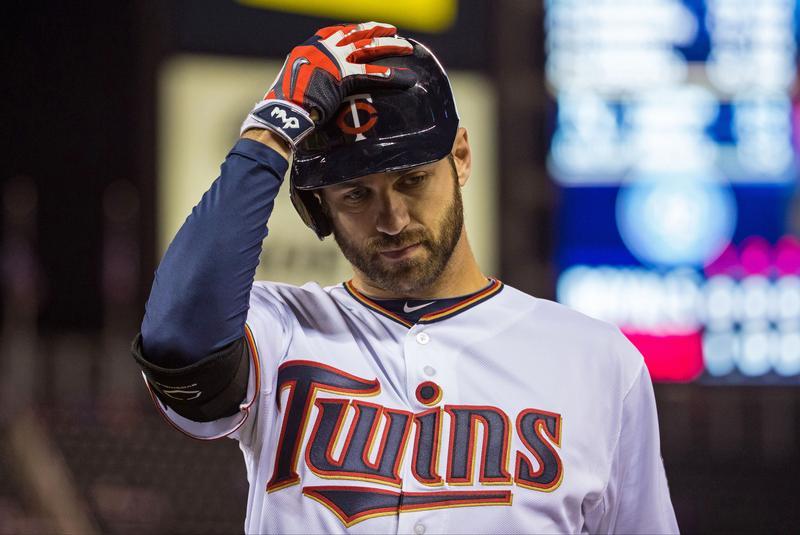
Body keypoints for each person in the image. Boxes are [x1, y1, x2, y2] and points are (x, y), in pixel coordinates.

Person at [131, 22, 679, 534]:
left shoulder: (597, 361)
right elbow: (178, 341)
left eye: (413, 178)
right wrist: (271, 131)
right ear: (318, 208)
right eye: (356, 195)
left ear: (460, 157)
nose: (392, 220)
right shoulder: (279, 331)